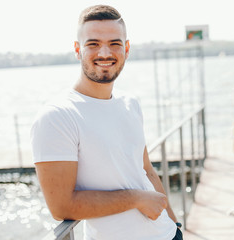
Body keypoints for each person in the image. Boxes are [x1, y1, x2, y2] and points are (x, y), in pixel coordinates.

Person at [30, 5, 183, 240]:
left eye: (114, 43)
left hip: (169, 234)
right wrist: (136, 198)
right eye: (93, 43)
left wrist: (175, 223)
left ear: (127, 48)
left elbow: (146, 170)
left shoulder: (131, 103)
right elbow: (61, 207)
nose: (104, 53)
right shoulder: (57, 116)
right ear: (77, 49)